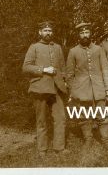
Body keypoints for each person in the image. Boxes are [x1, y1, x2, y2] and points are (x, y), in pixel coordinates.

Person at [22, 21, 68, 158]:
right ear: (40, 32)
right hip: (40, 88)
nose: (48, 33)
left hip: (57, 88)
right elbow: (26, 67)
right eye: (45, 30)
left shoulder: (58, 47)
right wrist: (43, 70)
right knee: (41, 120)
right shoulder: (34, 47)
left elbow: (63, 67)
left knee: (60, 118)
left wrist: (64, 81)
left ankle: (59, 148)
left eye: (50, 30)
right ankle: (42, 149)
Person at [66, 22, 108, 148]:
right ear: (78, 35)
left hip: (98, 87)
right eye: (82, 33)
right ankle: (88, 138)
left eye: (87, 32)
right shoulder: (73, 51)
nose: (85, 35)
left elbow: (105, 69)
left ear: (90, 34)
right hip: (81, 89)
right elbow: (69, 74)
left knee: (102, 114)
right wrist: (73, 90)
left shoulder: (99, 49)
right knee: (84, 116)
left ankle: (105, 139)